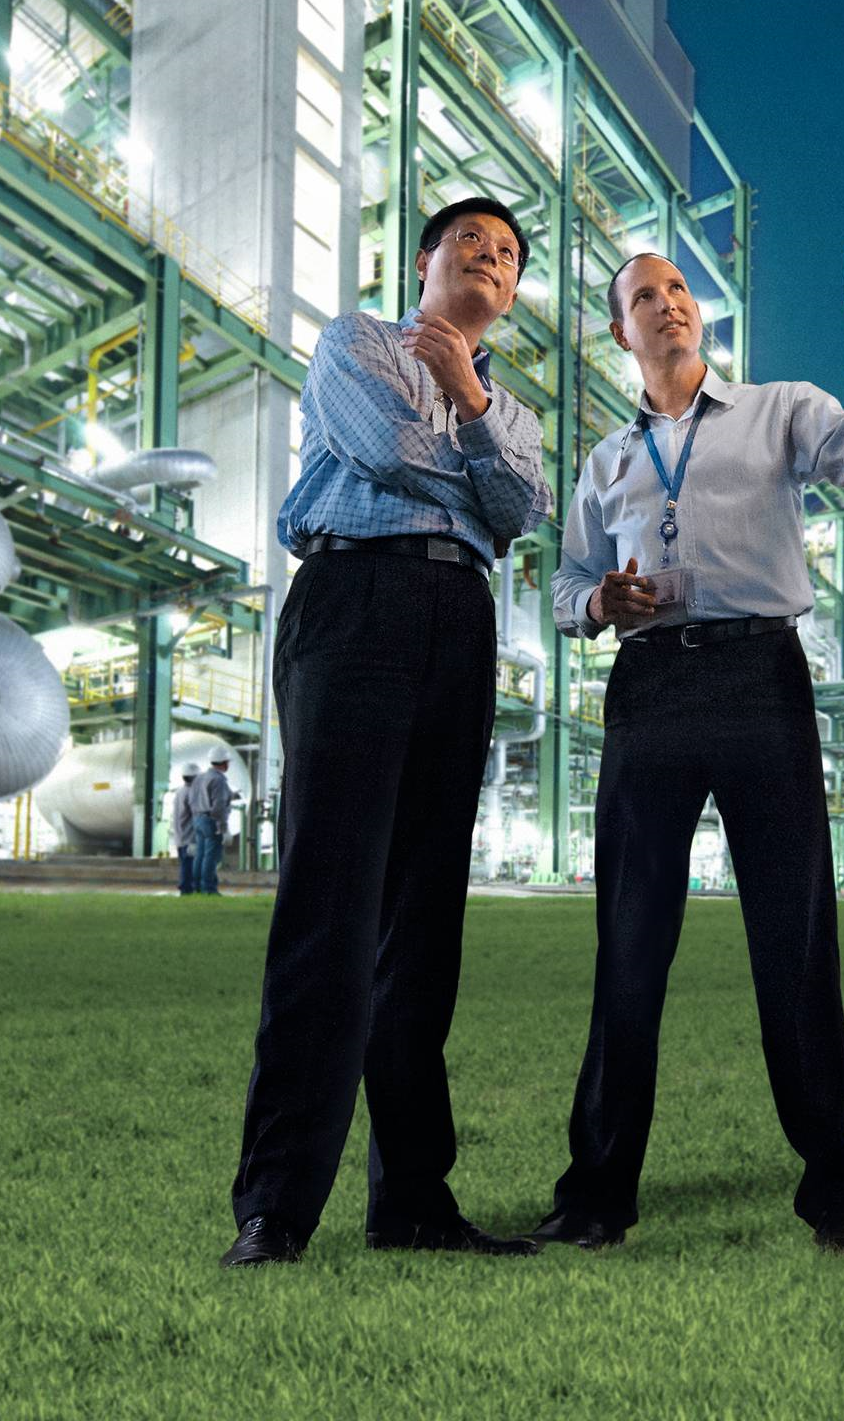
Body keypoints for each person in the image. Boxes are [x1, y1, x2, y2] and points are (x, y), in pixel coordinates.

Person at [534, 228, 844, 1257]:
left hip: (758, 676)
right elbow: (565, 581)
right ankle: (595, 1195)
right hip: (648, 685)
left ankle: (837, 1192)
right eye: (644, 296)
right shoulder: (607, 460)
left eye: (677, 288)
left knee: (793, 938)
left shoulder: (778, 410)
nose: (668, 302)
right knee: (629, 942)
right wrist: (595, 603)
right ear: (620, 331)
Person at [222, 197, 554, 1269]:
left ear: (513, 291)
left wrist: (470, 409)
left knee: (423, 920)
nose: (491, 258)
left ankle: (412, 1199)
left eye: (507, 254)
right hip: (355, 598)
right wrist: (474, 451)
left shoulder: (513, 405)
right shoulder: (357, 341)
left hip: (459, 620)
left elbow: (522, 512)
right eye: (472, 242)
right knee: (331, 903)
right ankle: (276, 1206)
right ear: (424, 260)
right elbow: (385, 451)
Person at [189, 756, 235, 896]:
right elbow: (218, 806)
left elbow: (192, 800)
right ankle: (209, 889)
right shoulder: (219, 779)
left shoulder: (199, 777)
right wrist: (223, 827)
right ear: (224, 763)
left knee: (200, 855)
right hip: (211, 821)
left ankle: (197, 887)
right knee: (211, 857)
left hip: (198, 819)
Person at [172, 761, 201, 895]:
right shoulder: (192, 793)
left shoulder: (180, 791)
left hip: (180, 836)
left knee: (185, 863)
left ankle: (186, 888)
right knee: (189, 865)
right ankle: (186, 889)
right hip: (190, 837)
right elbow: (197, 814)